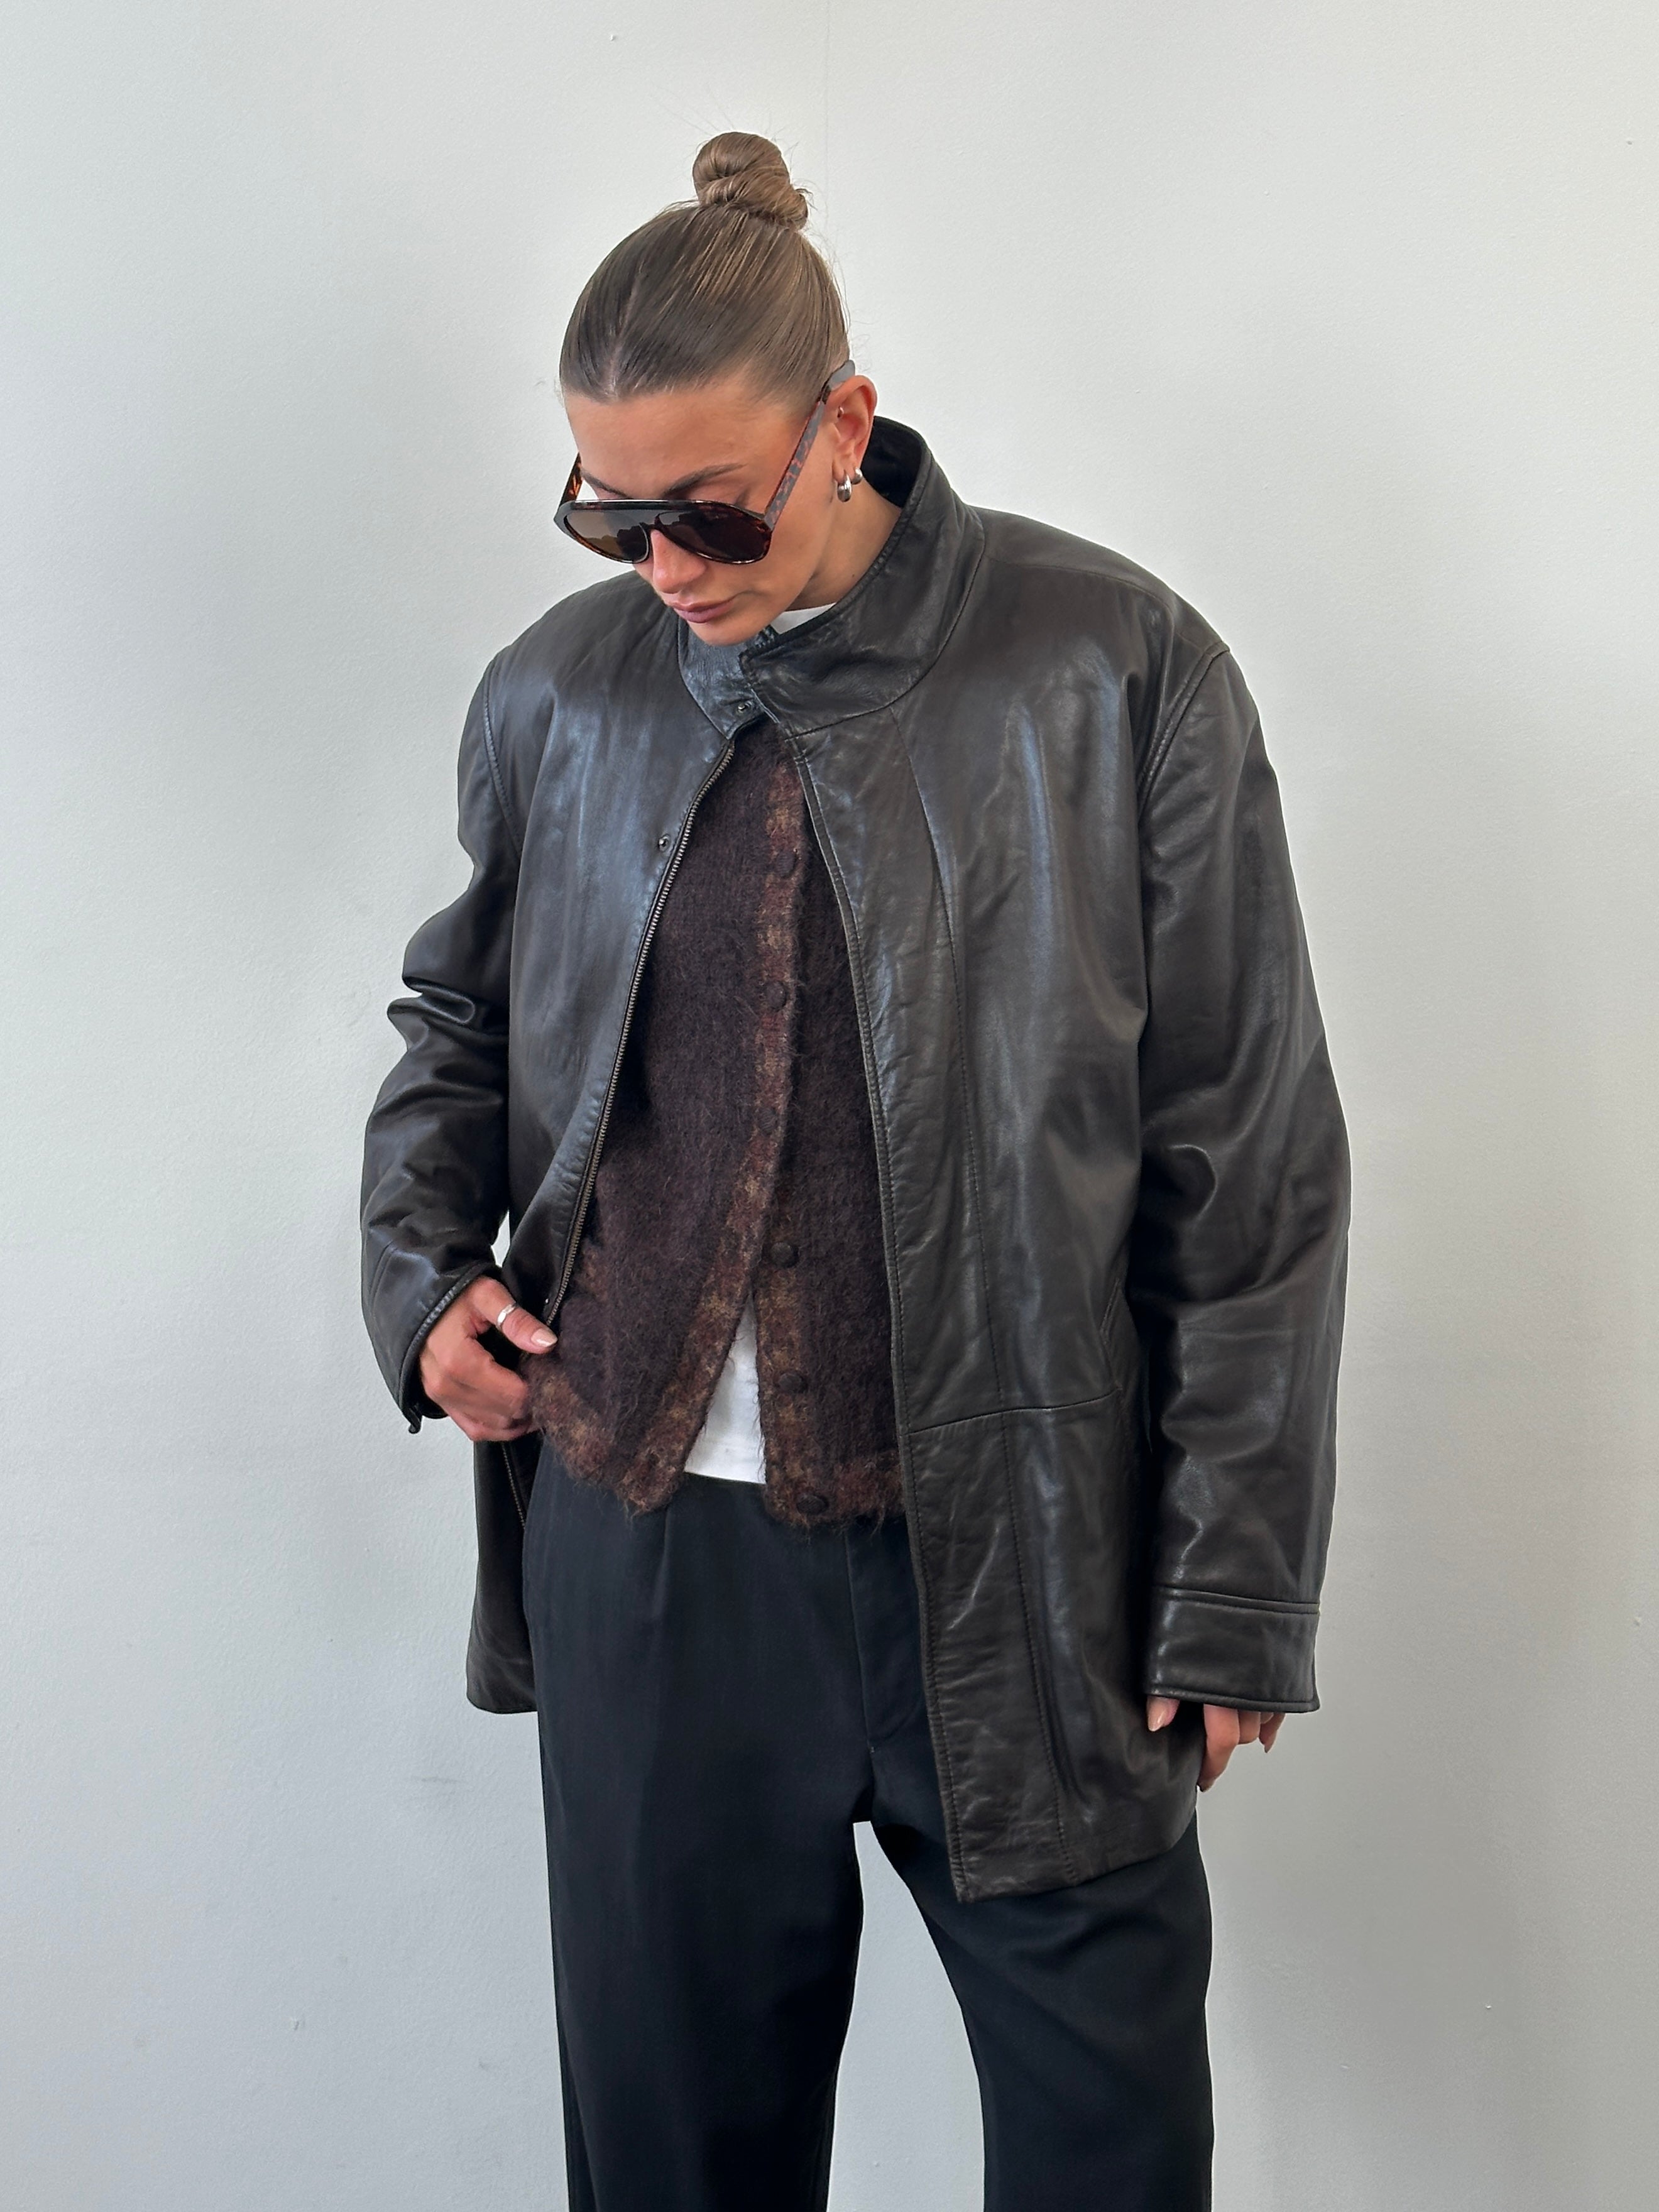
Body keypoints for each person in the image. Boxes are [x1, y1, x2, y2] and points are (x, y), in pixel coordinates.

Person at [359, 130, 1350, 2212]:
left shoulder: (1115, 668)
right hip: (648, 1565)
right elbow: (457, 1024)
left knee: (1109, 2158)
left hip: (1030, 1562)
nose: (663, 564)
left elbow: (1244, 1145)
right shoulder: (558, 696)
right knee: (675, 2169)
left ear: (844, 423)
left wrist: (1235, 1578)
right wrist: (424, 1280)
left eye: (709, 507)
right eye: (605, 510)